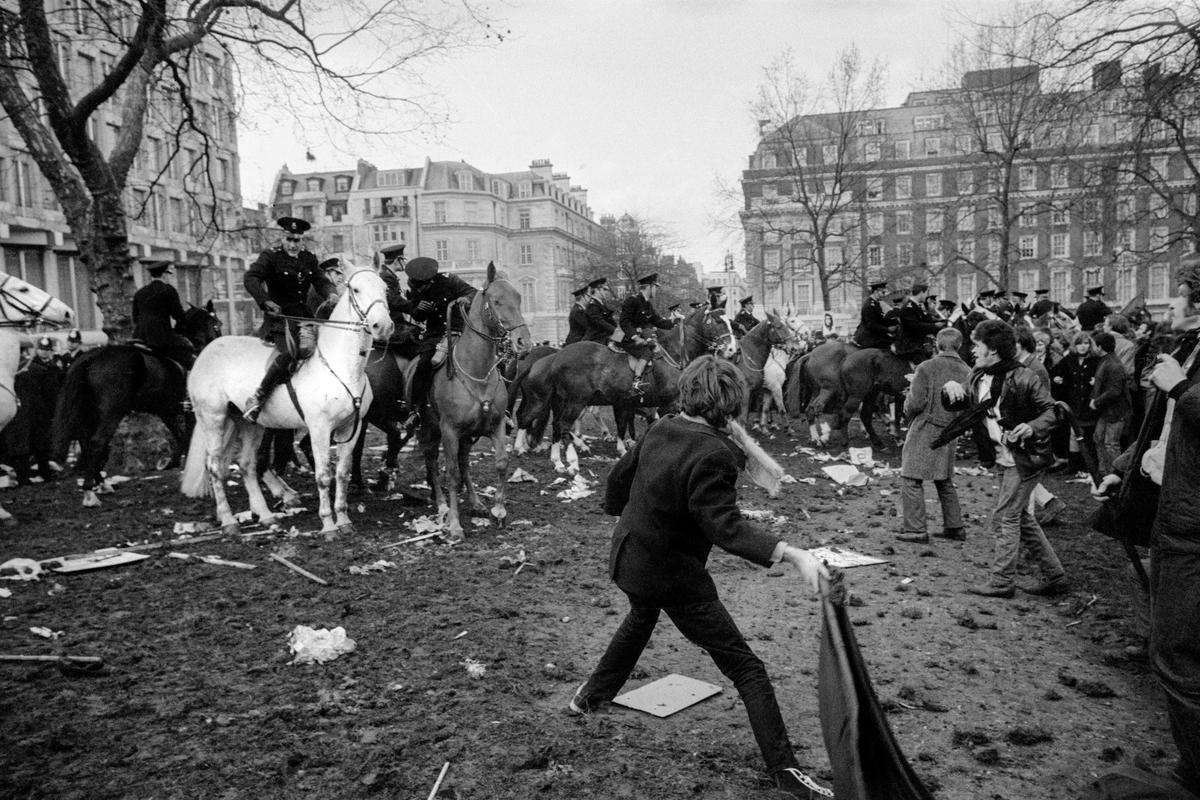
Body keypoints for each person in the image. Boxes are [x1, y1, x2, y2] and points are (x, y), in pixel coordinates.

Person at [568, 355, 831, 800]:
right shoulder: (713, 454)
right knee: (748, 670)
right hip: (672, 575)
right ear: (729, 405)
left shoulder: (661, 426)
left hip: (628, 558)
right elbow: (725, 528)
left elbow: (617, 481)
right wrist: (793, 555)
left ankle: (590, 697)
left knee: (641, 615)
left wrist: (635, 516)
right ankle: (786, 772)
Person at [1092, 331, 1200, 798]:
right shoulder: (1192, 342)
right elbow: (1163, 424)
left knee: (1177, 654)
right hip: (1172, 509)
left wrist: (1181, 389)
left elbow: (1181, 405)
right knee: (1173, 646)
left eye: (1185, 293)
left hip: (1193, 525)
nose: (1177, 303)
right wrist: (1123, 466)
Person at [943, 320, 1067, 598]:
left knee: (1005, 519)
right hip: (1002, 456)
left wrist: (1031, 427)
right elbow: (962, 402)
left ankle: (1002, 582)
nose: (973, 351)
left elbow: (1052, 411)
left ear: (994, 351)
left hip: (1027, 457)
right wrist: (950, 388)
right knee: (1021, 517)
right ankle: (1056, 576)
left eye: (978, 346)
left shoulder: (1025, 376)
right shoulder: (978, 375)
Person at [242, 216, 337, 423]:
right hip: (280, 318)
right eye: (289, 239)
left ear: (302, 240)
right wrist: (265, 301)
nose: (293, 245)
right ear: (282, 238)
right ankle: (258, 397)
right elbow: (250, 278)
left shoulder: (308, 258)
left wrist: (331, 293)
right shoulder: (270, 257)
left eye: (297, 240)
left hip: (303, 317)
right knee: (289, 352)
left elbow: (321, 280)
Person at [896, 327, 971, 544]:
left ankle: (915, 529)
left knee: (910, 478)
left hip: (926, 427)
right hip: (951, 429)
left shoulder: (926, 367)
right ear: (959, 346)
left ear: (937, 345)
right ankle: (955, 527)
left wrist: (906, 409)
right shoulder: (968, 371)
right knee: (944, 479)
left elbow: (916, 402)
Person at [395, 255, 477, 418]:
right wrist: (419, 309)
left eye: (426, 286)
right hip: (435, 334)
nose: (423, 290)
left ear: (432, 280)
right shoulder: (414, 287)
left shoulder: (450, 280)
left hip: (460, 330)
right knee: (423, 364)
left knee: (488, 357)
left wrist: (465, 299)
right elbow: (418, 316)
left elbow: (473, 292)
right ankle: (416, 409)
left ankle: (502, 409)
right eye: (420, 288)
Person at [1016, 327, 1067, 525]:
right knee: (1022, 472)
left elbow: (1043, 403)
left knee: (1025, 473)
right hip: (1029, 427)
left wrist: (1033, 426)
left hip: (1033, 429)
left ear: (1021, 345)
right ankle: (1049, 503)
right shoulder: (1028, 365)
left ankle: (1028, 524)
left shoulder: (1034, 368)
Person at [6, 337, 61, 484]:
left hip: (15, 412)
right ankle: (45, 474)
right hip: (38, 413)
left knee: (19, 445)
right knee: (41, 445)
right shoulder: (40, 370)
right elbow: (51, 395)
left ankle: (22, 477)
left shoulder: (8, 370)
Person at [616, 273, 675, 396]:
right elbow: (624, 321)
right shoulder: (632, 300)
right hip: (629, 339)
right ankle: (636, 383)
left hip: (641, 338)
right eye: (655, 287)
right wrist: (635, 337)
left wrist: (674, 322)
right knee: (647, 352)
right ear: (649, 287)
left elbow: (658, 321)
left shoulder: (647, 304)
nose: (656, 290)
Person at [1052, 331, 1101, 473]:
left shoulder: (1095, 360)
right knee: (1074, 434)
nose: (1082, 347)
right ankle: (1074, 465)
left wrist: (1096, 382)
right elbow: (1057, 373)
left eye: (1086, 343)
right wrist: (1058, 379)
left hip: (1089, 403)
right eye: (1079, 343)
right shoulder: (1069, 359)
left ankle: (1090, 466)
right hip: (1074, 403)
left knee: (1090, 435)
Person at [132, 260, 196, 368]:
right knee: (187, 350)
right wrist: (184, 325)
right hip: (161, 336)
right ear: (164, 274)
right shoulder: (168, 290)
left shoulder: (140, 292)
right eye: (168, 274)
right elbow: (178, 315)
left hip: (139, 336)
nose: (169, 277)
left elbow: (135, 317)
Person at [1091, 332, 1132, 476]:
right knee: (1099, 438)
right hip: (1108, 411)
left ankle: (1117, 474)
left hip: (1116, 412)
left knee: (1111, 444)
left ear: (1100, 346)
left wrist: (1096, 401)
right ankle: (1104, 471)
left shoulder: (1113, 365)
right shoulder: (1107, 361)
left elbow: (1115, 391)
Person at [894, 282, 944, 360]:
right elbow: (914, 326)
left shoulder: (916, 306)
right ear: (921, 292)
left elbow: (927, 320)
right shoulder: (908, 307)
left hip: (918, 343)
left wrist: (943, 322)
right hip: (910, 345)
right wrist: (935, 326)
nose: (927, 296)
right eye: (926, 293)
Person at [854, 280, 894, 349]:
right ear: (876, 291)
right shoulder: (869, 305)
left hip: (874, 335)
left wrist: (895, 322)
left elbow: (881, 320)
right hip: (869, 337)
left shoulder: (876, 303)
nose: (884, 295)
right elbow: (872, 325)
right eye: (883, 292)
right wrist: (888, 330)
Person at [583, 277, 618, 345]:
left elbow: (610, 321)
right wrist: (616, 331)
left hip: (605, 336)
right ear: (597, 290)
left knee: (627, 340)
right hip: (596, 339)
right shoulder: (592, 305)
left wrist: (620, 332)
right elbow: (600, 322)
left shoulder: (601, 304)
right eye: (604, 289)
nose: (607, 292)